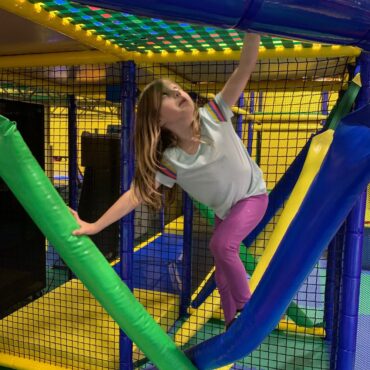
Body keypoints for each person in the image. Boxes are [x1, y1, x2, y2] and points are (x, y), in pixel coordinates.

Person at [71, 33, 268, 330]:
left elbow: (243, 69)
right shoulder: (172, 160)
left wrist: (253, 34)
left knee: (222, 244)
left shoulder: (214, 114)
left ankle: (246, 310)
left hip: (253, 197)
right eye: (166, 95)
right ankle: (232, 324)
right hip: (226, 211)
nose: (177, 92)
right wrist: (95, 225)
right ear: (158, 121)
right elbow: (136, 194)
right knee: (221, 272)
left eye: (176, 89)